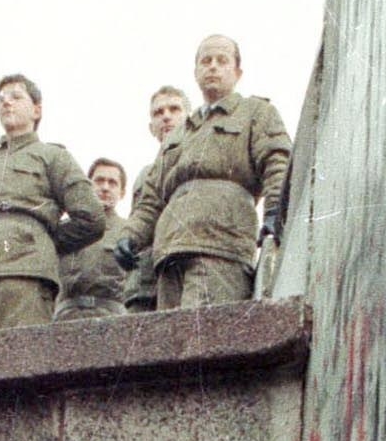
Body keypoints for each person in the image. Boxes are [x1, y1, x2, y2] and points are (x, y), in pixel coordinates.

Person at [116, 37, 290, 310]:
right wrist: (130, 236)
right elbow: (151, 198)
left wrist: (274, 212)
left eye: (222, 61)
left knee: (207, 343)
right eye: (205, 61)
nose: (213, 67)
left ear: (237, 72)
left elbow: (277, 162)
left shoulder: (256, 113)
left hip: (220, 244)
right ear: (196, 72)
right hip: (170, 250)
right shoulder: (180, 132)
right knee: (172, 346)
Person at [0, 75, 103, 335]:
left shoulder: (53, 156)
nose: (6, 103)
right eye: (1, 99)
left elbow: (91, 217)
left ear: (37, 110)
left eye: (16, 97)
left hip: (23, 274)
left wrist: (39, 243)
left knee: (18, 363)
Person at [125, 87, 189, 313]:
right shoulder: (145, 175)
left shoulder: (193, 163)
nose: (166, 116)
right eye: (158, 112)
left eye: (174, 109)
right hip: (145, 281)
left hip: (182, 267)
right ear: (151, 127)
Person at [54, 158, 130, 323]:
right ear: (88, 186)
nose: (105, 187)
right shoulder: (66, 230)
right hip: (65, 318)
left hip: (113, 318)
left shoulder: (130, 231)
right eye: (99, 181)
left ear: (122, 193)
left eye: (112, 183)